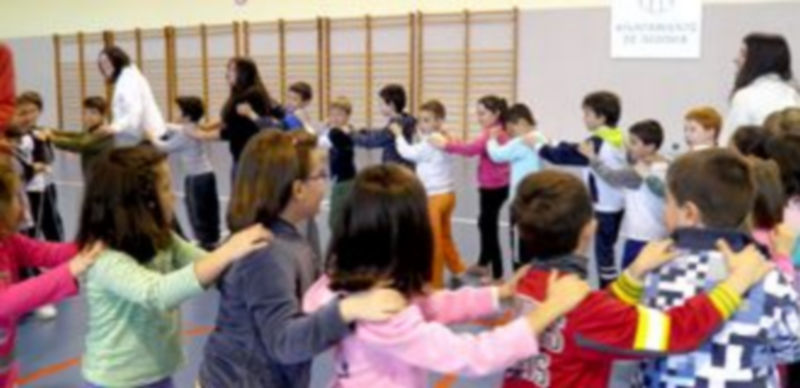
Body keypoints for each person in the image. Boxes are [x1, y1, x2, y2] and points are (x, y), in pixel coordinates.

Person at [303, 163, 592, 387]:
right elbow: (471, 355)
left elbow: (431, 304)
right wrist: (548, 311)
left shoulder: (353, 281)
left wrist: (496, 295)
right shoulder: (384, 318)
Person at [501, 170, 776, 388]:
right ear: (590, 229)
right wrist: (736, 284)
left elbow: (584, 322)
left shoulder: (524, 282)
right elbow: (674, 332)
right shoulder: (587, 310)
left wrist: (633, 276)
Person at [198, 131, 406, 388]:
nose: (325, 184)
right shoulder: (266, 254)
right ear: (298, 189)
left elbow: (314, 295)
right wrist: (348, 308)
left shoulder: (291, 238)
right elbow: (284, 342)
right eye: (321, 175)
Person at [77, 144, 272, 388]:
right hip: (115, 381)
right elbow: (157, 293)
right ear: (142, 202)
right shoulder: (104, 257)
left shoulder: (162, 237)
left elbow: (204, 263)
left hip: (157, 374)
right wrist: (227, 251)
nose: (174, 195)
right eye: (167, 188)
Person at [639, 149, 800, 387]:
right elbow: (792, 347)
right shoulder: (765, 274)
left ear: (689, 213)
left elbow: (631, 338)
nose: (665, 209)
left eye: (668, 201)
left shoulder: (652, 269)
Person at [537, 91, 627, 287]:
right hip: (617, 202)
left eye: (587, 113)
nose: (583, 118)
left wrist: (540, 147)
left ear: (601, 117)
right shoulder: (615, 136)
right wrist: (555, 142)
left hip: (604, 206)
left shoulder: (597, 142)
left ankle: (608, 290)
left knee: (603, 253)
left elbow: (561, 157)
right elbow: (577, 147)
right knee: (607, 248)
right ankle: (610, 286)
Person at [392, 100, 465, 288]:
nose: (421, 124)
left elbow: (407, 152)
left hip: (434, 198)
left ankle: (436, 282)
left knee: (433, 243)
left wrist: (399, 135)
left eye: (427, 120)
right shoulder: (443, 137)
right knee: (445, 236)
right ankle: (458, 268)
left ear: (438, 122)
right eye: (421, 120)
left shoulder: (431, 142)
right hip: (448, 195)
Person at [153, 96, 220, 250]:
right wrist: (159, 124)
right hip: (203, 175)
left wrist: (150, 134)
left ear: (187, 116)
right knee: (202, 210)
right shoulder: (191, 127)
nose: (176, 113)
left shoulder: (186, 134)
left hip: (198, 178)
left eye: (178, 110)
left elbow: (164, 147)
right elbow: (173, 127)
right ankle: (209, 241)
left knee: (198, 212)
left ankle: (205, 245)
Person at [721, 33, 800, 144]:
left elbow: (729, 145)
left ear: (759, 60)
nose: (737, 59)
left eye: (743, 54)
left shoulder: (745, 97)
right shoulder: (794, 95)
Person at [96, 46, 167, 146]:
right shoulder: (128, 74)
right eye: (102, 64)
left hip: (148, 138)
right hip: (145, 136)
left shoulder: (128, 79)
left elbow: (134, 110)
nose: (105, 68)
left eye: (107, 63)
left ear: (117, 60)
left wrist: (114, 127)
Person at [351, 84, 416, 170]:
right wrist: (364, 131)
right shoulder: (403, 119)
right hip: (402, 167)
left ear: (391, 105)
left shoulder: (396, 125)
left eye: (381, 104)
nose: (379, 107)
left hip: (397, 169)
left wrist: (351, 135)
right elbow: (382, 132)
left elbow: (373, 141)